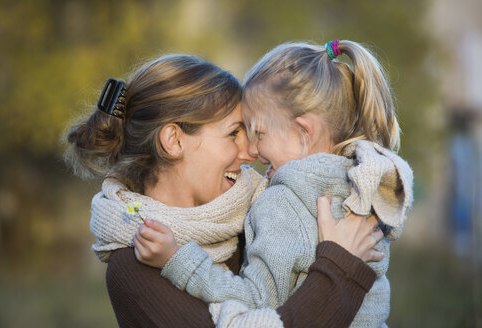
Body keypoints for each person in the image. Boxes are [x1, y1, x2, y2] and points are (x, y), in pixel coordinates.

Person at [65, 53, 384, 328]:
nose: (251, 153)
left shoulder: (268, 208)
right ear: (174, 141)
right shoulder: (136, 265)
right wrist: (341, 268)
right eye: (234, 133)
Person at [134, 41, 414, 328]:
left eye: (258, 133)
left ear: (303, 132)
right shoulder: (364, 188)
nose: (252, 151)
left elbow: (256, 300)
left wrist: (178, 260)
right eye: (235, 133)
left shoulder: (282, 202)